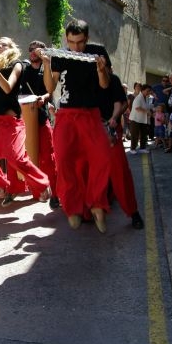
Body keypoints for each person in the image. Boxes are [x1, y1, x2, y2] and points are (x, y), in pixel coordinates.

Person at [0, 37, 50, 218]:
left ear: (12, 48)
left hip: (12, 122)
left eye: (4, 44)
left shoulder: (17, 64)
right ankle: (2, 186)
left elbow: (7, 88)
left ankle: (43, 183)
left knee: (15, 158)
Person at [44, 19, 111, 233]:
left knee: (102, 157)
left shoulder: (98, 51)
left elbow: (105, 84)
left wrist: (101, 69)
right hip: (65, 115)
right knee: (63, 160)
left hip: (91, 114)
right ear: (66, 39)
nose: (76, 47)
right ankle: (72, 207)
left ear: (87, 38)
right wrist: (46, 64)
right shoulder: (61, 55)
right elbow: (50, 87)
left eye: (80, 42)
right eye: (71, 42)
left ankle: (97, 204)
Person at [2, 40, 59, 210]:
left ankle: (54, 193)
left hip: (41, 118)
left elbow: (50, 90)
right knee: (15, 156)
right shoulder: (23, 68)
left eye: (37, 49)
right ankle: (13, 189)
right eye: (31, 49)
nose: (33, 52)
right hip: (22, 120)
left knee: (48, 157)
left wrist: (45, 98)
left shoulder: (46, 68)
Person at [97, 72, 145, 229]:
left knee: (120, 171)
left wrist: (114, 119)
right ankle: (93, 209)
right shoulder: (84, 77)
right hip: (92, 130)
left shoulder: (113, 79)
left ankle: (133, 212)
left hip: (110, 128)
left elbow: (123, 103)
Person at [129, 84, 153, 154]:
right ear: (142, 90)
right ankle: (132, 149)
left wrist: (150, 109)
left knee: (143, 134)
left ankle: (142, 148)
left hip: (142, 119)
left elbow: (146, 107)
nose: (148, 93)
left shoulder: (145, 97)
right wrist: (147, 111)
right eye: (147, 91)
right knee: (134, 134)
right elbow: (137, 108)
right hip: (135, 119)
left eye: (149, 91)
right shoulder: (138, 97)